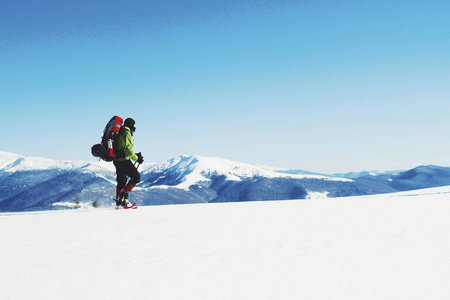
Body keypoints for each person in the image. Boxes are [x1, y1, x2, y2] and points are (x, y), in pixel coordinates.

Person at [113, 118, 144, 207]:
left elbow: (122, 148)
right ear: (130, 125)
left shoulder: (120, 132)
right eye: (134, 125)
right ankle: (124, 197)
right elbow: (127, 149)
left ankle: (120, 201)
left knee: (121, 181)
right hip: (123, 160)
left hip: (117, 160)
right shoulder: (126, 133)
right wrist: (136, 158)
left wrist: (135, 155)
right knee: (136, 177)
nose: (135, 127)